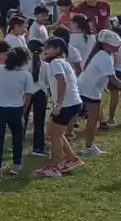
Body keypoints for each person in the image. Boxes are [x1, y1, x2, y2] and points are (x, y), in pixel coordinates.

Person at [34, 38, 84, 178]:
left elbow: (62, 81)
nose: (46, 51)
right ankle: (72, 158)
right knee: (52, 131)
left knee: (55, 135)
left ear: (57, 49)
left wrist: (59, 104)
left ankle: (54, 168)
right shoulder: (62, 62)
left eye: (49, 48)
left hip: (66, 104)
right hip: (73, 102)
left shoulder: (56, 63)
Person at [0, 46, 33, 177]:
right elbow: (27, 98)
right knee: (17, 138)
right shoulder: (26, 75)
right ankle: (16, 166)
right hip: (16, 108)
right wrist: (23, 111)